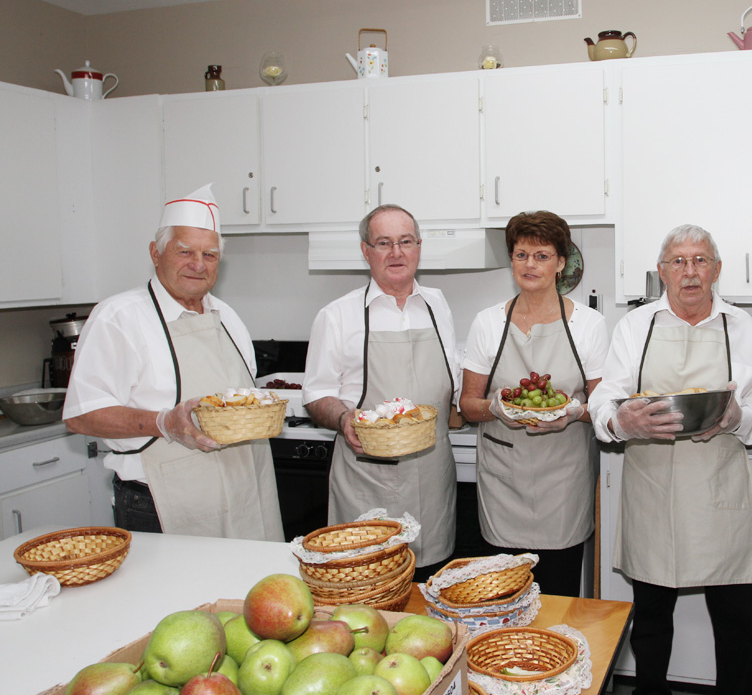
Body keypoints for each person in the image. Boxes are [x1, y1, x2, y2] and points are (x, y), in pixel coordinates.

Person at [589, 224, 752, 695]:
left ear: (716, 270)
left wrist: (738, 417)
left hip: (719, 492)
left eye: (700, 260)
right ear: (662, 271)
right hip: (654, 490)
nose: (690, 272)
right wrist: (623, 422)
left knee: (736, 622)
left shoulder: (741, 325)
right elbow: (604, 398)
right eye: (679, 261)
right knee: (651, 621)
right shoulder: (636, 325)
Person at [63, 184, 284, 540]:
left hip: (244, 493)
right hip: (161, 502)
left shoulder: (227, 317)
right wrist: (163, 422)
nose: (198, 264)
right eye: (185, 251)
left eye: (209, 255)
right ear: (156, 252)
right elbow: (81, 415)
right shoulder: (118, 317)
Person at [303, 204, 460, 581]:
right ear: (366, 251)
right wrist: (343, 418)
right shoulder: (337, 315)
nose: (396, 252)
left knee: (428, 592)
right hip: (368, 483)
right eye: (384, 243)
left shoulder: (437, 305)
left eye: (405, 241)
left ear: (419, 247)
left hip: (433, 478)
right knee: (368, 588)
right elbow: (316, 394)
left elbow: (451, 385)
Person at [459, 211, 608, 597]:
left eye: (542, 256)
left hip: (564, 483)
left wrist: (573, 412)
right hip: (503, 484)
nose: (530, 265)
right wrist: (495, 408)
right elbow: (468, 404)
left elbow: (602, 407)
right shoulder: (488, 323)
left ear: (561, 263)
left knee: (559, 599)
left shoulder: (589, 325)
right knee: (503, 599)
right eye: (521, 254)